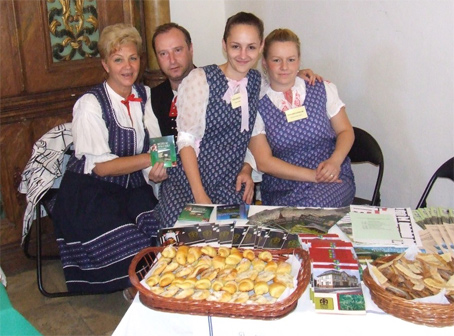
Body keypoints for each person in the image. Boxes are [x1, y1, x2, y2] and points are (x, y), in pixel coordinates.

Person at [52, 23, 166, 293]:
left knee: (162, 237)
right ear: (105, 64)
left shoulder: (145, 95)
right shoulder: (89, 105)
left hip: (132, 188)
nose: (127, 67)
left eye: (133, 58)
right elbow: (102, 168)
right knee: (136, 249)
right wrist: (149, 160)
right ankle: (133, 286)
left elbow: (158, 144)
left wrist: (158, 169)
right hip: (91, 193)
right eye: (118, 59)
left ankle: (143, 283)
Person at [153, 12, 268, 228]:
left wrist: (247, 168)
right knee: (187, 235)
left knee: (228, 240)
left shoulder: (258, 82)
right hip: (190, 179)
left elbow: (255, 134)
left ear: (261, 47)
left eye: (251, 47)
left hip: (230, 181)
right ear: (224, 45)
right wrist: (201, 197)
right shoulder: (200, 80)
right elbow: (185, 141)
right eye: (236, 46)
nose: (243, 54)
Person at [249, 28, 355, 207]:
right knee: (296, 217)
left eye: (291, 60)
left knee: (310, 209)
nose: (285, 67)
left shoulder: (321, 88)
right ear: (265, 63)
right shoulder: (257, 105)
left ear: (299, 61)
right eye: (276, 60)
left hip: (331, 177)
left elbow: (345, 131)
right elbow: (264, 162)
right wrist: (313, 176)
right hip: (283, 185)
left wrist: (334, 162)